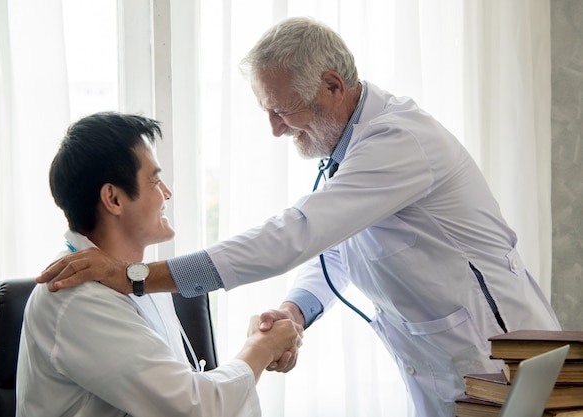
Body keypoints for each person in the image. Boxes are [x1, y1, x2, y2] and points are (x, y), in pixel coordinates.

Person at [36, 18, 561, 417]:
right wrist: (293, 314)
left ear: (332, 86)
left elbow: (296, 234)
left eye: (282, 110)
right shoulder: (348, 155)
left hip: (506, 361)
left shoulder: (400, 142)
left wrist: (138, 278)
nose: (275, 129)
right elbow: (336, 252)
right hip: (447, 367)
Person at [16, 111, 303, 417]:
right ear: (113, 199)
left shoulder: (141, 278)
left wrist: (260, 341)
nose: (167, 193)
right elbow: (192, 407)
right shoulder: (77, 298)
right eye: (154, 180)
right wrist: (261, 349)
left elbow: (180, 389)